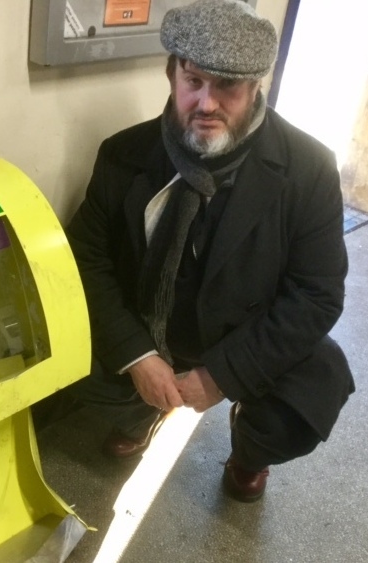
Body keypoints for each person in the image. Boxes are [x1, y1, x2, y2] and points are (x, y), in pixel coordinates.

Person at [49, 0, 355, 503]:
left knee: (317, 383)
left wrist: (221, 376)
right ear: (172, 74)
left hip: (242, 331)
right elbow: (88, 260)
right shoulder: (123, 153)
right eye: (193, 81)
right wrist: (138, 357)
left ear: (258, 86)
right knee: (59, 346)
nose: (206, 104)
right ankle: (142, 409)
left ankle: (249, 452)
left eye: (228, 86)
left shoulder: (308, 168)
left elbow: (317, 294)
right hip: (152, 326)